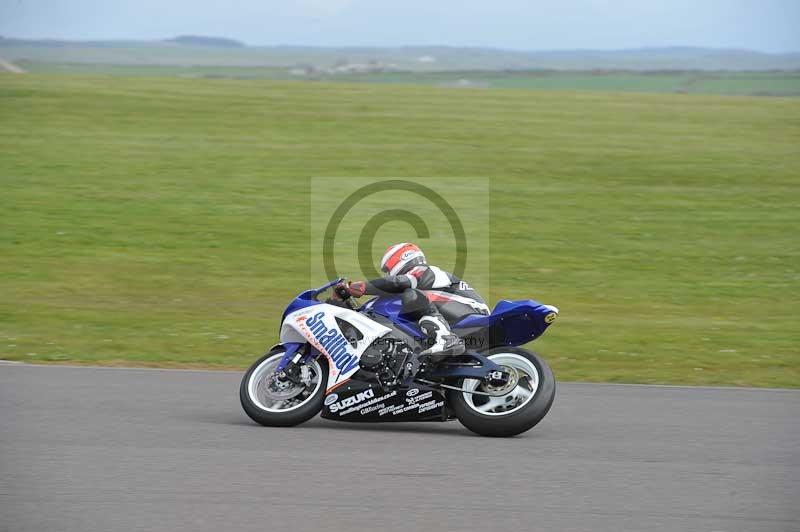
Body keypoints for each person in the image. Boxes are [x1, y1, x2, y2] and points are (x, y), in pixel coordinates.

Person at [337, 243, 489, 361]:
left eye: (388, 269)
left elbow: (399, 282)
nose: (389, 273)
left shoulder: (424, 271)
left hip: (472, 315)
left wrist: (364, 287)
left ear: (401, 258)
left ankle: (446, 338)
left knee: (411, 295)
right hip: (460, 318)